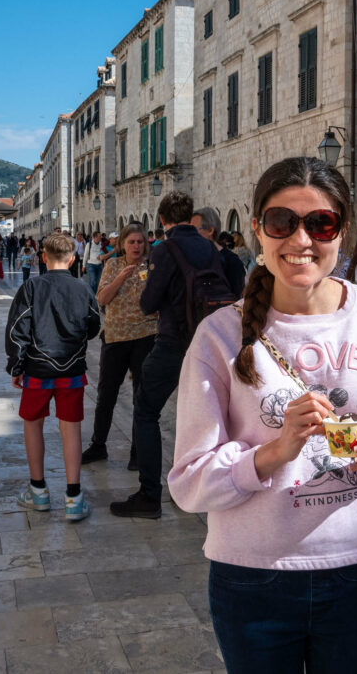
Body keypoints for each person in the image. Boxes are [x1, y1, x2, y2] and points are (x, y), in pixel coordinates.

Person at [168, 158, 357, 673]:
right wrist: (275, 451)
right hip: (252, 576)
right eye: (281, 222)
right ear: (257, 231)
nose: (301, 239)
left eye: (321, 223)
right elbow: (188, 484)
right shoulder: (219, 336)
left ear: (342, 229)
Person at [109, 191, 222, 519]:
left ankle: (149, 495)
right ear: (191, 215)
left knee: (145, 411)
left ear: (162, 220)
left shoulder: (165, 249)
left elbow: (149, 303)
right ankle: (196, 489)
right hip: (210, 342)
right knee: (202, 416)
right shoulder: (211, 247)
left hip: (174, 342)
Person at [5, 233, 101, 521]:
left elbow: (17, 331)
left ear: (42, 257)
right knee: (70, 429)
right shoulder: (83, 289)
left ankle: (38, 491)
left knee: (32, 425)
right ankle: (74, 497)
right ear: (73, 259)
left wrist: (16, 366)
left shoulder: (31, 287)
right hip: (71, 369)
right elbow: (94, 325)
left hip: (37, 368)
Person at [82, 223, 157, 469]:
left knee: (141, 397)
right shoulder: (112, 265)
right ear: (122, 244)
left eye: (140, 242)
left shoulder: (153, 267)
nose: (136, 246)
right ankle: (98, 445)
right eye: (131, 242)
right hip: (115, 337)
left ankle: (138, 451)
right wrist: (121, 278)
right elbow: (101, 298)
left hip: (145, 336)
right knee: (106, 395)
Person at [192, 207, 247, 297]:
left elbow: (236, 299)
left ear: (210, 230)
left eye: (194, 230)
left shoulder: (232, 262)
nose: (190, 235)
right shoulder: (191, 258)